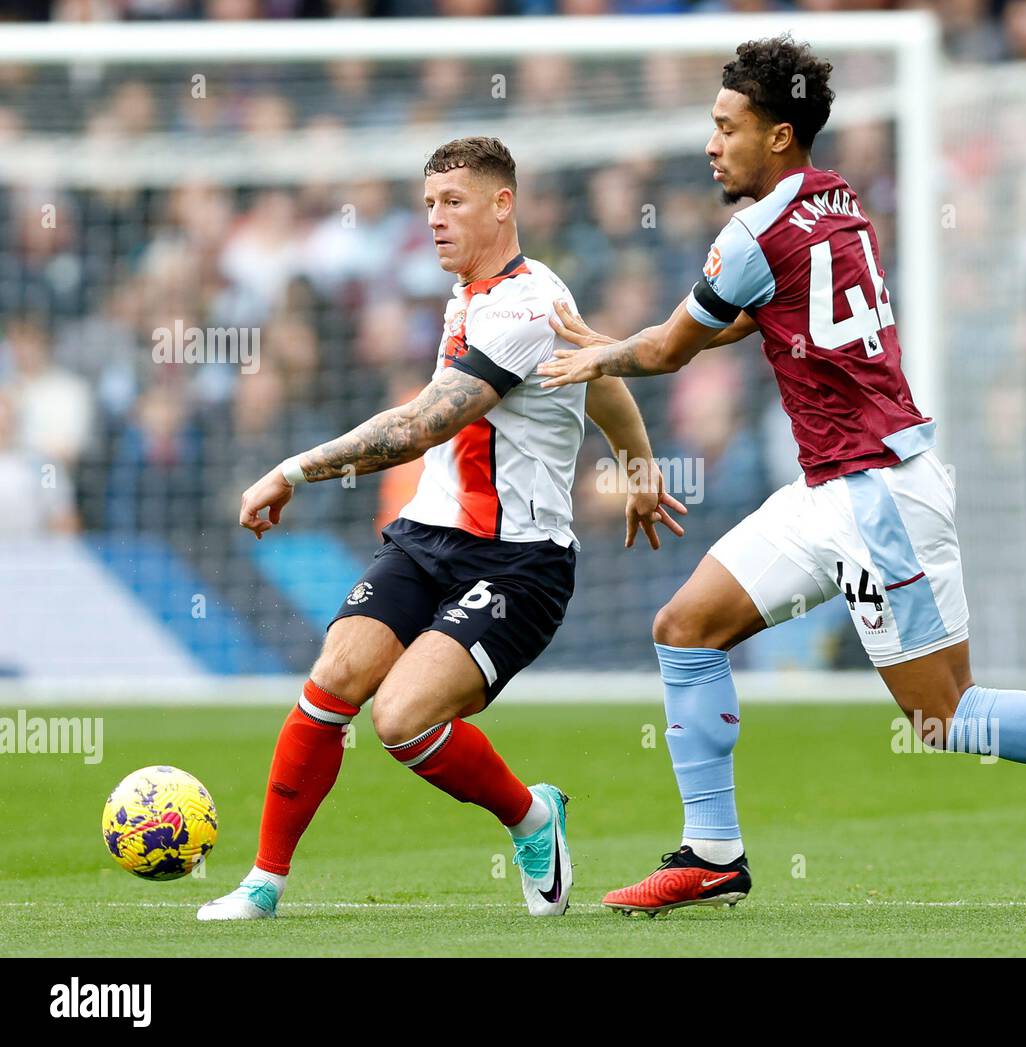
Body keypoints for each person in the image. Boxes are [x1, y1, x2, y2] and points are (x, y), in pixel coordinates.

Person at [539, 37, 1026, 915]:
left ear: (778, 135)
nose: (711, 144)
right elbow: (756, 315)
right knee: (686, 627)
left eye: (727, 127)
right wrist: (625, 344)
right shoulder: (837, 199)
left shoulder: (750, 233)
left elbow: (673, 349)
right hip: (828, 488)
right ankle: (713, 852)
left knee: (943, 716)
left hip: (878, 493)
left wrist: (599, 358)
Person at [198, 137, 684, 921]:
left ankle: (532, 816)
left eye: (453, 201)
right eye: (428, 203)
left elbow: (419, 427)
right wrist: (639, 467)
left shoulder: (525, 306)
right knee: (335, 676)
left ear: (503, 204)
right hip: (425, 538)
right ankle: (263, 882)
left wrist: (293, 470)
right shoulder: (472, 295)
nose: (434, 218)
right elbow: (597, 376)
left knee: (400, 718)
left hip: (519, 563)